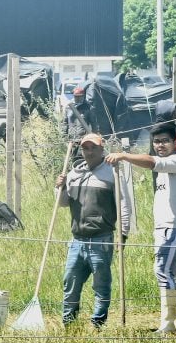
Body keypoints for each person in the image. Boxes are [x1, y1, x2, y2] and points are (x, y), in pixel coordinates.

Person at [106, 123, 176, 333]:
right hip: (168, 227)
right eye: (156, 141)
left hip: (175, 228)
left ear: (175, 142)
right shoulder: (168, 164)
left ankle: (168, 324)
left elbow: (151, 162)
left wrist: (123, 156)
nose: (160, 145)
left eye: (165, 140)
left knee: (163, 269)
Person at [56, 133, 131, 328]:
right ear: (81, 150)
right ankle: (69, 324)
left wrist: (123, 234)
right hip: (77, 240)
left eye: (93, 148)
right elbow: (63, 204)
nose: (89, 152)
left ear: (101, 149)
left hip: (102, 239)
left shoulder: (112, 172)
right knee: (70, 283)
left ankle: (97, 323)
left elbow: (123, 204)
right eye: (85, 148)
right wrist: (61, 188)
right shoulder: (73, 174)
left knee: (101, 285)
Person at [62, 85, 94, 162]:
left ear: (83, 96)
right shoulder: (69, 107)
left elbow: (94, 123)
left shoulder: (88, 107)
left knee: (81, 159)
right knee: (71, 159)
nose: (77, 98)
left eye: (80, 96)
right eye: (76, 96)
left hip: (83, 139)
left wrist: (92, 136)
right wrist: (64, 136)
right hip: (71, 139)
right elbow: (64, 123)